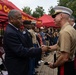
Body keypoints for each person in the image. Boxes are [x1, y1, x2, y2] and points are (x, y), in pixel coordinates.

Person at [3, 9, 48, 75]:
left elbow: (25, 45)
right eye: (19, 18)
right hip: (17, 68)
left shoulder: (15, 30)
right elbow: (21, 51)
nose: (22, 21)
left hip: (21, 66)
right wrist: (40, 50)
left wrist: (36, 49)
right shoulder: (10, 32)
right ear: (11, 19)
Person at [47, 6, 76, 75]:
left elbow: (64, 57)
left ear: (61, 16)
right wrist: (47, 48)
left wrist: (54, 65)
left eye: (55, 16)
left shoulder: (64, 32)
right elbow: (59, 45)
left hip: (65, 66)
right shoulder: (71, 29)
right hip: (71, 64)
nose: (53, 19)